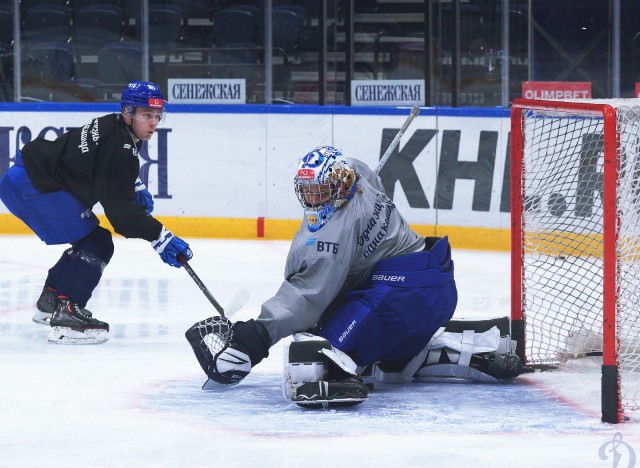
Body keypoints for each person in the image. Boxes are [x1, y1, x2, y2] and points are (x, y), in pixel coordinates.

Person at [186, 145, 521, 407]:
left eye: (320, 190)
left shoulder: (332, 235)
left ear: (338, 183)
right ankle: (456, 349)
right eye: (308, 190)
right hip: (434, 281)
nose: (313, 198)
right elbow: (374, 182)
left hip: (400, 298)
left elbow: (307, 297)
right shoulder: (357, 174)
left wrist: (256, 336)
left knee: (315, 356)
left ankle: (346, 369)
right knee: (379, 359)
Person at [0, 80, 193, 345]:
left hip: (19, 179)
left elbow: (95, 161)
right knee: (98, 243)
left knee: (86, 240)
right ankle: (68, 311)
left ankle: (51, 300)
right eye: (146, 115)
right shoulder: (121, 149)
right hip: (36, 188)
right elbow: (122, 218)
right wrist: (160, 235)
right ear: (128, 112)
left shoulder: (110, 123)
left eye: (157, 116)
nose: (153, 123)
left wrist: (133, 184)